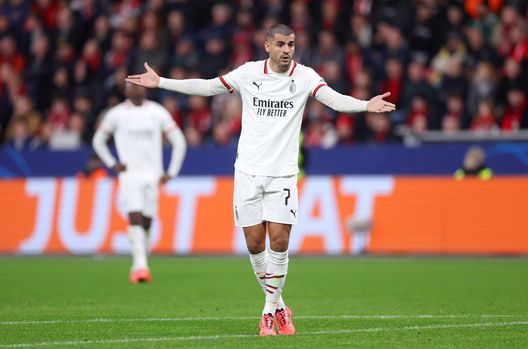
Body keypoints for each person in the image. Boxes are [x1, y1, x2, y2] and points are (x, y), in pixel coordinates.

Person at [125, 24, 395, 336]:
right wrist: (161, 83)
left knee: (279, 241)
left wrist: (365, 105)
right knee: (255, 244)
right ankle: (280, 305)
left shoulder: (305, 76)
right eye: (280, 44)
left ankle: (268, 311)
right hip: (248, 173)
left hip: (282, 175)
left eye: (291, 44)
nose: (286, 50)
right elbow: (209, 86)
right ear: (267, 46)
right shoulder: (249, 73)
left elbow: (333, 100)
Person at [92, 83, 186, 284]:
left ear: (145, 89)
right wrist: (112, 163)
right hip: (130, 175)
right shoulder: (116, 114)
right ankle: (140, 266)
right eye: (131, 85)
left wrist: (171, 172)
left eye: (139, 85)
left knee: (147, 221)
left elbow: (179, 140)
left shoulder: (157, 112)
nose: (136, 89)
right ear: (125, 90)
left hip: (153, 175)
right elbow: (98, 140)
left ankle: (141, 257)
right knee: (134, 216)